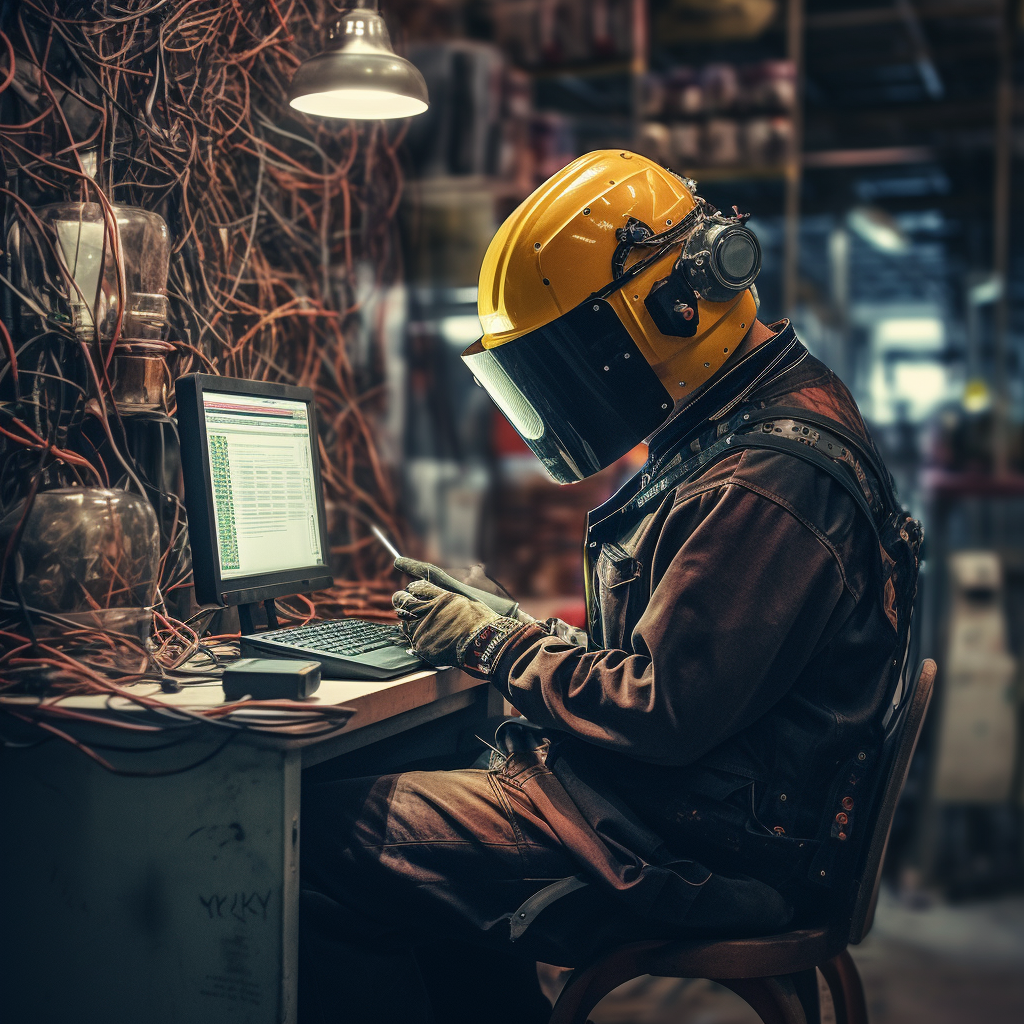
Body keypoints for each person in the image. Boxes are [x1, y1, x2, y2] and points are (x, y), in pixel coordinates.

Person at [298, 151, 921, 1024]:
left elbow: (660, 707)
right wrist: (509, 620)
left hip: (685, 847)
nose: (573, 393)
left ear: (672, 307)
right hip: (680, 812)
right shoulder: (747, 417)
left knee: (310, 840)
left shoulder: (762, 479)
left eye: (575, 359)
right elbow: (675, 672)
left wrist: (491, 641)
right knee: (403, 813)